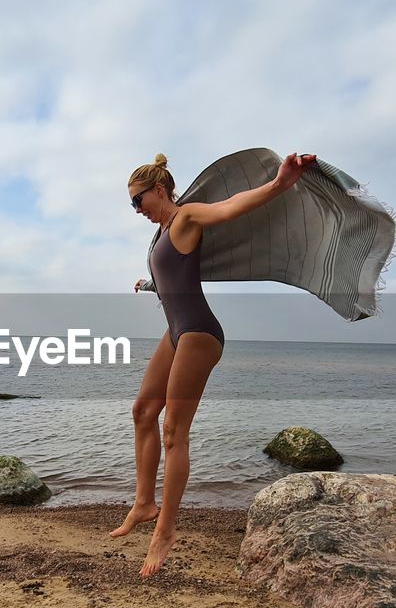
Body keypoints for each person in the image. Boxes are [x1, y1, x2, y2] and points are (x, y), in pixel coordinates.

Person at [112, 150, 318, 577]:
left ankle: (166, 529)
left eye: (138, 200)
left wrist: (280, 183)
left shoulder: (186, 216)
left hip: (199, 333)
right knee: (142, 411)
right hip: (177, 331)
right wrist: (152, 285)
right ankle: (145, 503)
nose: (137, 210)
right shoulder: (164, 232)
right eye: (131, 204)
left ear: (160, 189)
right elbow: (177, 279)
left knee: (174, 431)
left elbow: (231, 206)